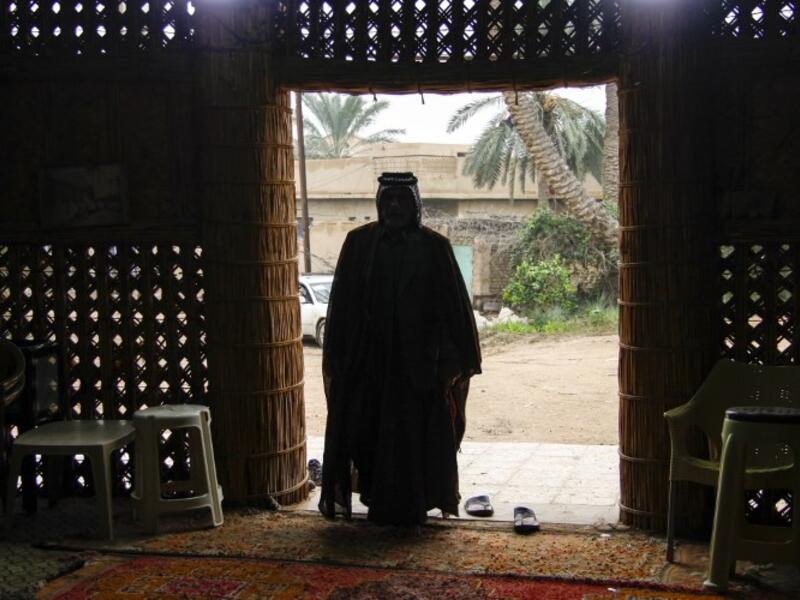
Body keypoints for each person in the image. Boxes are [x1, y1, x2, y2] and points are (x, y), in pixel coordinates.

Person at [319, 172, 482, 526]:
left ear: (415, 204)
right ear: (379, 203)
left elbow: (452, 308)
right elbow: (343, 307)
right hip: (369, 364)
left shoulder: (434, 247)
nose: (394, 206)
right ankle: (377, 499)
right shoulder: (359, 243)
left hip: (418, 365)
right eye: (388, 198)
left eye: (402, 199)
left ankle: (414, 505)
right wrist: (339, 358)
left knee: (416, 437)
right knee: (368, 432)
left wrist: (450, 361)